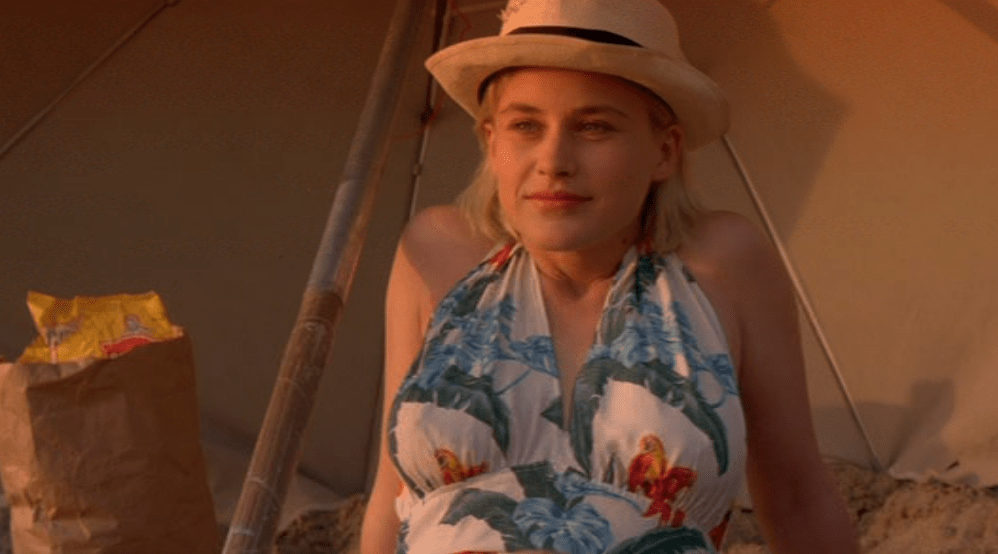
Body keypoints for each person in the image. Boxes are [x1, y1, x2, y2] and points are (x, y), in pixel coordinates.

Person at [360, 0, 858, 552]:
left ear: (665, 151)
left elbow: (796, 495)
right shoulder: (435, 254)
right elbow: (391, 498)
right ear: (490, 141)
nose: (554, 159)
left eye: (594, 127)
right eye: (525, 125)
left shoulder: (722, 264)